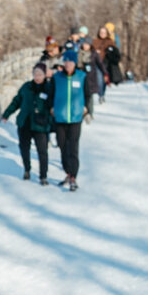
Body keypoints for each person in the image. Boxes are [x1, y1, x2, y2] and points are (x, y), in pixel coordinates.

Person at [1, 63, 54, 184]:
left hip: (41, 124)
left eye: (40, 74)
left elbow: (53, 105)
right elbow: (17, 101)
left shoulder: (49, 88)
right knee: (24, 148)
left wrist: (51, 120)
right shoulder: (26, 87)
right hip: (25, 123)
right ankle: (27, 169)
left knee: (42, 151)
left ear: (45, 75)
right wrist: (6, 114)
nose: (37, 77)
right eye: (35, 74)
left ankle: (43, 176)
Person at [51, 50, 90, 192]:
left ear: (75, 63)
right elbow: (51, 94)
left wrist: (87, 109)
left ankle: (73, 176)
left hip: (75, 117)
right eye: (66, 61)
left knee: (73, 147)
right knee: (62, 146)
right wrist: (51, 108)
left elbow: (88, 94)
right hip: (60, 117)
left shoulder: (81, 77)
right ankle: (67, 172)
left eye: (71, 62)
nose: (68, 64)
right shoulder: (57, 78)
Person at [77, 38, 107, 122]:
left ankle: (90, 113)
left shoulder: (94, 54)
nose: (85, 46)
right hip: (80, 78)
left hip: (90, 78)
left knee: (89, 96)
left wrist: (105, 73)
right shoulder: (78, 53)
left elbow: (100, 64)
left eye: (87, 44)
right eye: (84, 44)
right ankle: (82, 112)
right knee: (80, 96)